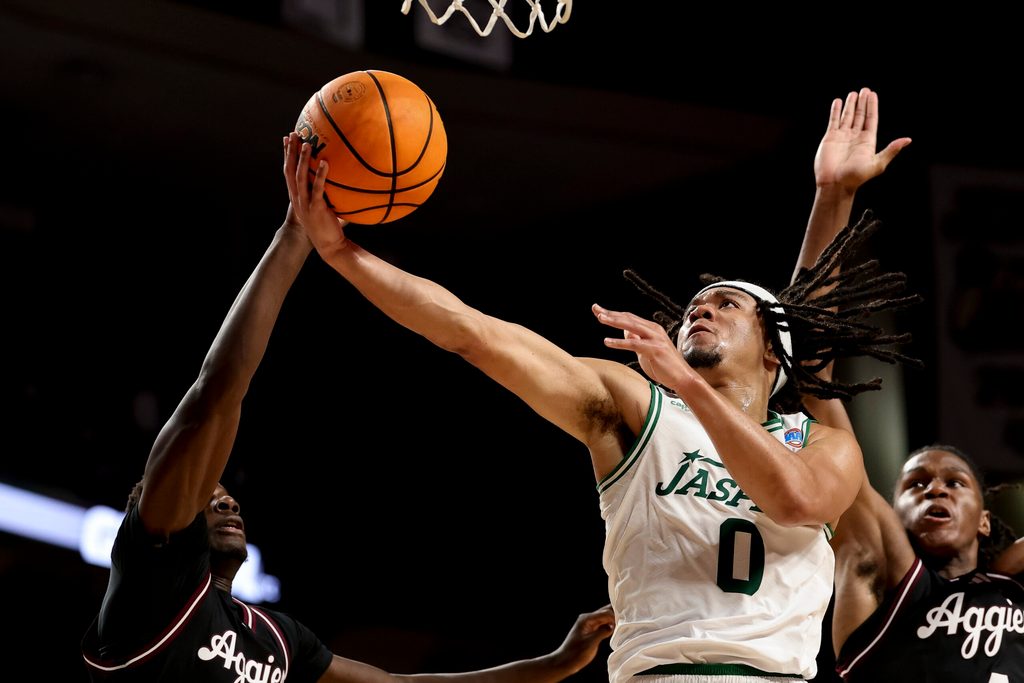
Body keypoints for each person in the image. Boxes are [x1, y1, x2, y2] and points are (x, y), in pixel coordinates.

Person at [285, 85, 919, 682]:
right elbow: (471, 332)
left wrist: (832, 196)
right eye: (695, 305)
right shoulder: (637, 411)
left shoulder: (823, 447)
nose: (700, 310)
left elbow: (796, 501)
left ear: (775, 356)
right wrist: (343, 255)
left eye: (727, 304)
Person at [80, 134, 616, 683]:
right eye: (207, 496)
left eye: (224, 493)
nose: (226, 502)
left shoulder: (276, 641)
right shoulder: (152, 576)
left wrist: (553, 665)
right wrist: (293, 235)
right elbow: (217, 392)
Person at [789, 94, 1024, 682]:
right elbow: (811, 378)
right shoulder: (880, 563)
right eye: (916, 483)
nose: (934, 491)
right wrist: (833, 197)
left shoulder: (1011, 586)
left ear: (986, 519)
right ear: (894, 509)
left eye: (954, 482)